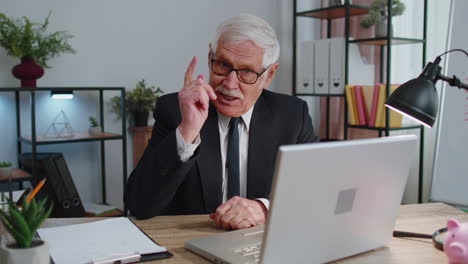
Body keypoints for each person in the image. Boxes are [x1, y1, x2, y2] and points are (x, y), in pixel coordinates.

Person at [124, 14, 318, 230]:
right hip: (191, 244)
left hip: (260, 244)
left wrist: (265, 209)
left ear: (269, 74)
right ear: (210, 58)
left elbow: (316, 191)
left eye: (246, 72)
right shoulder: (175, 110)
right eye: (223, 65)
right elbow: (139, 205)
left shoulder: (292, 115)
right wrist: (188, 131)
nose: (230, 83)